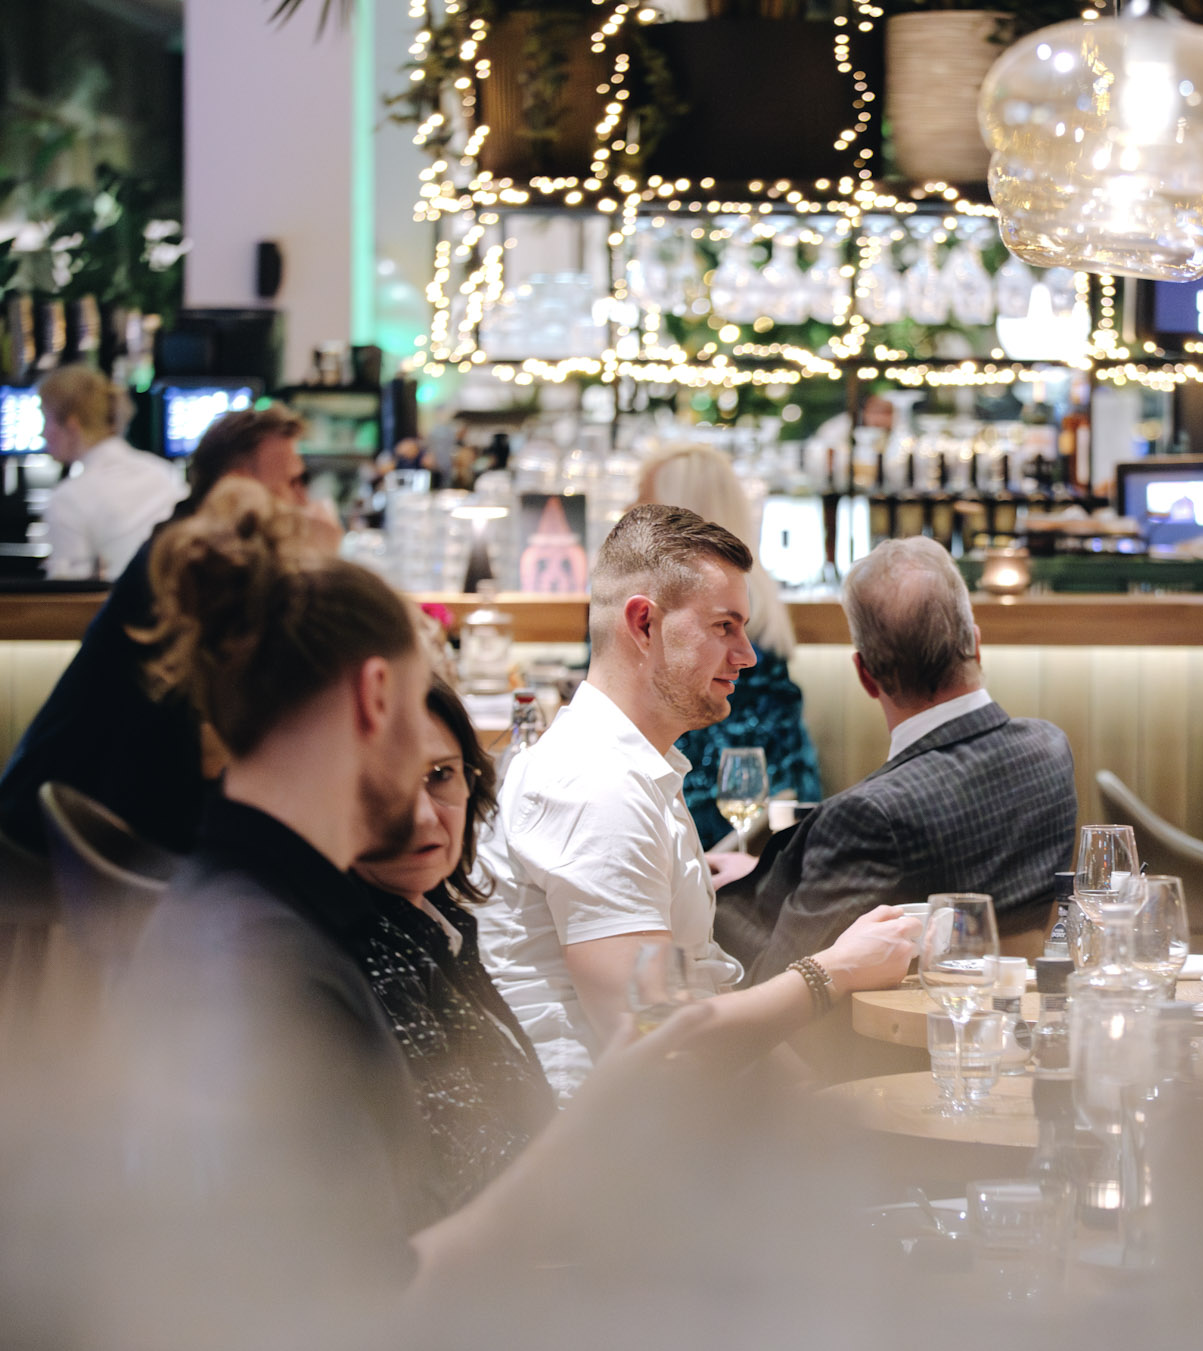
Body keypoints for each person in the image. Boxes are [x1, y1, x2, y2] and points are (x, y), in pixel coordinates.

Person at [102, 478, 921, 1306]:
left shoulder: (315, 905)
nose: (445, 756)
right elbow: (362, 1303)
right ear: (377, 698)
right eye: (426, 702)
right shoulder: (266, 951)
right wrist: (604, 1131)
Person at [477, 504, 913, 1098]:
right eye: (723, 626)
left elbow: (700, 991)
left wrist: (812, 1095)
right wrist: (834, 971)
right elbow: (657, 1043)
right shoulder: (596, 787)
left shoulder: (635, 767)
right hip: (604, 1137)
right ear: (644, 624)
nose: (747, 655)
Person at [714, 536, 1078, 981]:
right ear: (976, 645)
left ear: (865, 675)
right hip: (1007, 1007)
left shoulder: (867, 818)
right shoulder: (1050, 751)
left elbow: (777, 986)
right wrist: (778, 878)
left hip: (901, 1023)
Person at [0, 404, 326, 858]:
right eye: (292, 482)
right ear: (239, 483)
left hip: (108, 819)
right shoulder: (191, 568)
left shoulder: (191, 549)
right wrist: (320, 562)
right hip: (75, 836)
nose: (303, 501)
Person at [350, 675, 558, 1220]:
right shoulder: (368, 953)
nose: (422, 815)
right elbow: (473, 1177)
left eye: (440, 775)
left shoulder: (436, 918)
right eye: (386, 783)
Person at [634, 443, 823, 845]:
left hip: (716, 834)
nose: (627, 513)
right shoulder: (758, 602)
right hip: (777, 823)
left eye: (642, 503)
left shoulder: (664, 615)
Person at [35, 364, 184, 581]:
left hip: (120, 602)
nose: (42, 433)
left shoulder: (67, 499)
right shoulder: (165, 473)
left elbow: (70, 591)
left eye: (45, 419)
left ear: (72, 425)